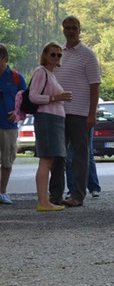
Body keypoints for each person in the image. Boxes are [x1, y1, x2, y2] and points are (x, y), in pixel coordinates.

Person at [49, 16, 102, 208]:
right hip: (58, 113)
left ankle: (77, 195)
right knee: (57, 155)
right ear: (63, 29)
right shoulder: (57, 54)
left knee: (80, 156)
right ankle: (55, 195)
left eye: (74, 28)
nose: (71, 31)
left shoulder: (88, 55)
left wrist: (91, 114)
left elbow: (95, 86)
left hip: (80, 114)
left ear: (80, 30)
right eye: (67, 28)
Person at [27, 42, 72, 211]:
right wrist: (55, 98)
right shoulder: (41, 72)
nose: (56, 57)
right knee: (46, 160)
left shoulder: (51, 74)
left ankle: (45, 200)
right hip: (47, 119)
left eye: (59, 55)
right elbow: (33, 96)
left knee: (50, 159)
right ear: (45, 55)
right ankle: (43, 201)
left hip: (55, 120)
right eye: (52, 54)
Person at [0, 44, 27, 204]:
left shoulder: (16, 77)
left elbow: (27, 100)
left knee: (7, 161)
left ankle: (2, 192)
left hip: (8, 128)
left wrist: (18, 113)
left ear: (4, 58)